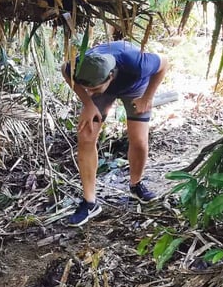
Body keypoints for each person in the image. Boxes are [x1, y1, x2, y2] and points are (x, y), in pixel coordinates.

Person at [62, 40, 168, 227]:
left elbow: (164, 63)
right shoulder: (80, 65)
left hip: (136, 86)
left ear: (111, 75)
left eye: (92, 89)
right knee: (86, 137)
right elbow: (65, 70)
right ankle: (89, 202)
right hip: (104, 92)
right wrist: (88, 102)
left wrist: (147, 98)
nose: (89, 91)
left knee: (139, 140)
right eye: (87, 88)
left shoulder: (138, 63)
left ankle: (136, 185)